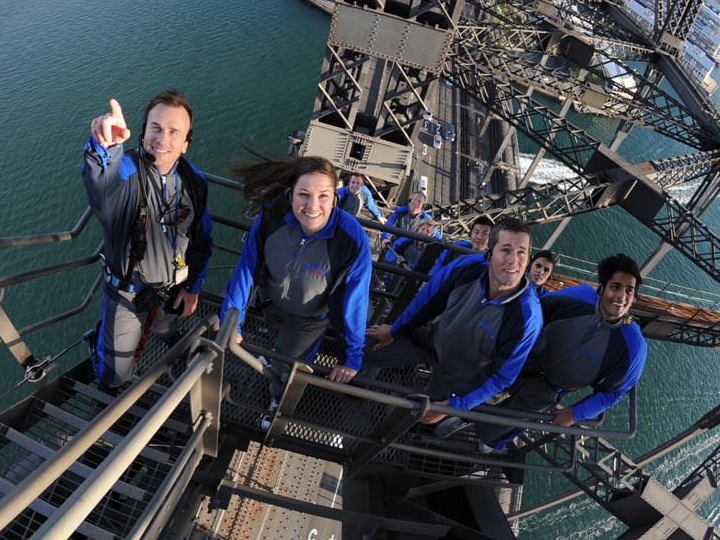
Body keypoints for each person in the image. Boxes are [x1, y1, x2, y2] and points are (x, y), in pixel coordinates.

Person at [438, 253, 647, 446]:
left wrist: (575, 414)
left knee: (493, 432)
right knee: (483, 386)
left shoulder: (634, 346)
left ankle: (488, 441)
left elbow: (613, 392)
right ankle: (462, 417)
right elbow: (534, 312)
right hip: (523, 359)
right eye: (616, 286)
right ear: (602, 288)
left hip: (549, 389)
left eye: (629, 290)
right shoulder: (579, 296)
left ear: (635, 298)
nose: (621, 296)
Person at [81, 90, 213, 392]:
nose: (162, 139)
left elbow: (202, 241)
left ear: (185, 145)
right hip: (127, 295)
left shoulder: (194, 183)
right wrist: (105, 147)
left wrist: (193, 287)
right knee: (113, 378)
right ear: (142, 134)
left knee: (168, 330)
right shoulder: (126, 171)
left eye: (173, 132)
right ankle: (99, 346)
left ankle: (167, 348)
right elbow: (103, 187)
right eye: (155, 127)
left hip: (173, 289)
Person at [363, 218, 542, 424]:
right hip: (433, 338)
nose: (514, 261)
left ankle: (397, 432)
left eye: (522, 252)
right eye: (506, 250)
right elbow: (428, 302)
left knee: (422, 415)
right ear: (489, 253)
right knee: (365, 345)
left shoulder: (527, 316)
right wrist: (395, 330)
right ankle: (346, 386)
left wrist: (456, 403)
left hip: (460, 372)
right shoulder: (466, 268)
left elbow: (502, 374)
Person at [220, 156, 372, 392]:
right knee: (274, 342)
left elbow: (355, 300)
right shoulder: (272, 217)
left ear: (335, 198)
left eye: (323, 196)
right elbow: (246, 268)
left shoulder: (352, 239)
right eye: (304, 194)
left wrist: (351, 357)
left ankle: (274, 401)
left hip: (309, 322)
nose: (312, 206)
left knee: (286, 373)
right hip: (270, 302)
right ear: (291, 193)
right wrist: (231, 320)